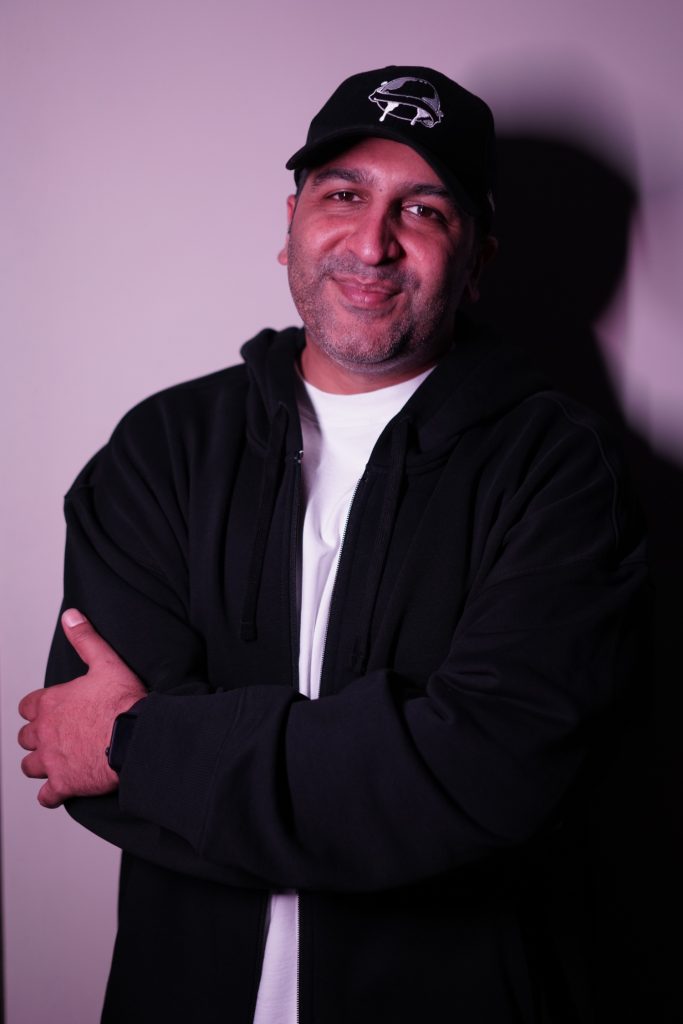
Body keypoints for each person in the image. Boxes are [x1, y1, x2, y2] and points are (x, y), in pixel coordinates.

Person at [18, 66, 648, 1023]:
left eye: (423, 211)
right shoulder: (163, 448)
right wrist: (372, 791)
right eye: (343, 195)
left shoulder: (560, 472)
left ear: (476, 258)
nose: (371, 242)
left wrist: (139, 742)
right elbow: (91, 774)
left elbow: (483, 780)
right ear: (291, 223)